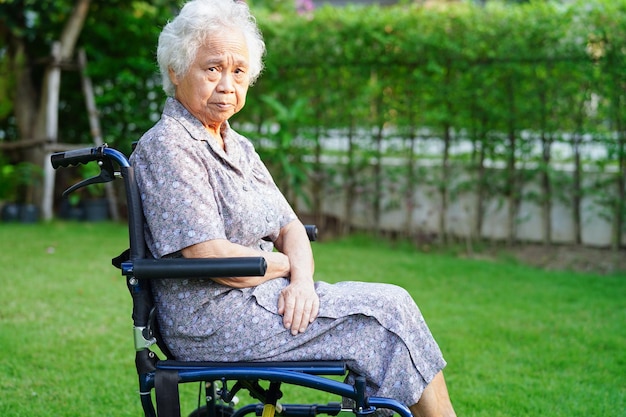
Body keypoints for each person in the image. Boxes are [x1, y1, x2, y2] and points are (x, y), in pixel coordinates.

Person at [130, 1, 457, 416]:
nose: (228, 84)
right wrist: (286, 266)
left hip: (264, 300)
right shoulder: (169, 146)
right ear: (176, 70)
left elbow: (290, 226)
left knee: (392, 306)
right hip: (213, 320)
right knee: (385, 316)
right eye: (213, 68)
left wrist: (302, 283)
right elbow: (207, 255)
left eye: (239, 72)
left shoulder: (237, 145)